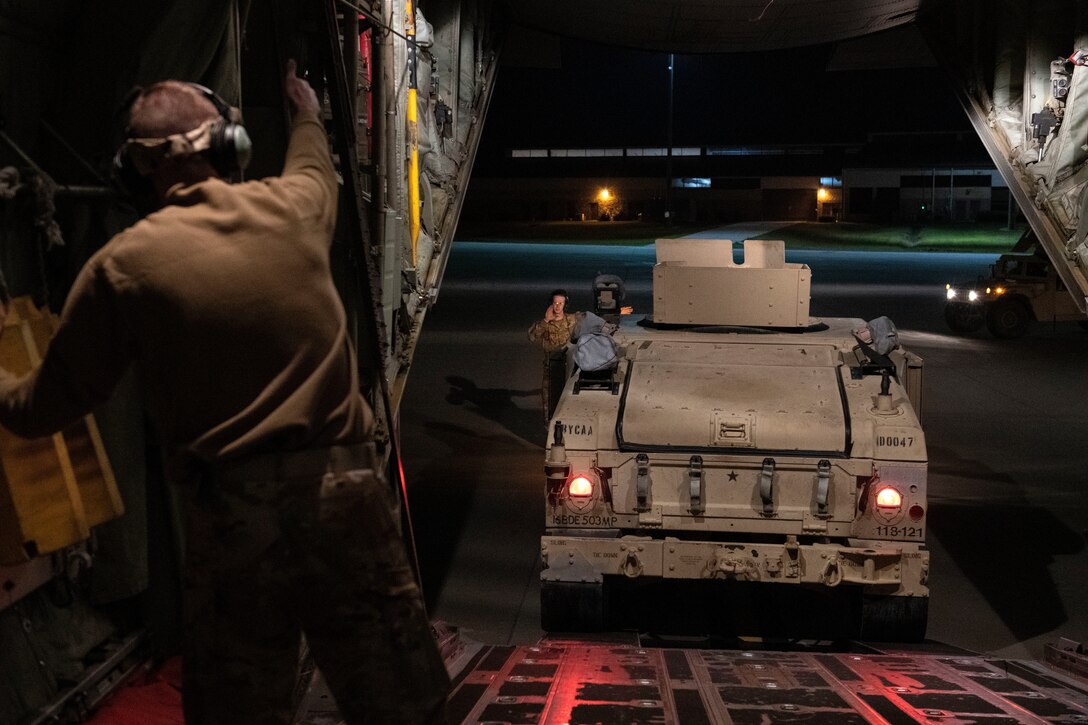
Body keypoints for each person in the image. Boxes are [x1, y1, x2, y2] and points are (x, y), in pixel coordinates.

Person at [0, 62, 449, 724]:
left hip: (232, 520)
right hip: (344, 497)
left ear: (134, 170)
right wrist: (304, 110)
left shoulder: (121, 269)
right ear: (228, 147)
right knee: (406, 707)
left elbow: (43, 407)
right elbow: (312, 162)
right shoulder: (294, 209)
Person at [527, 289, 576, 424]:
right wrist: (546, 320)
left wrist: (615, 313)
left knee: (569, 400)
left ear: (565, 304)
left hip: (569, 368)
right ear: (551, 304)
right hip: (552, 369)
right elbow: (532, 336)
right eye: (555, 303)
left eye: (561, 303)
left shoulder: (571, 320)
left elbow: (590, 321)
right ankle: (550, 428)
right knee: (549, 402)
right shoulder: (544, 324)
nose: (558, 306)